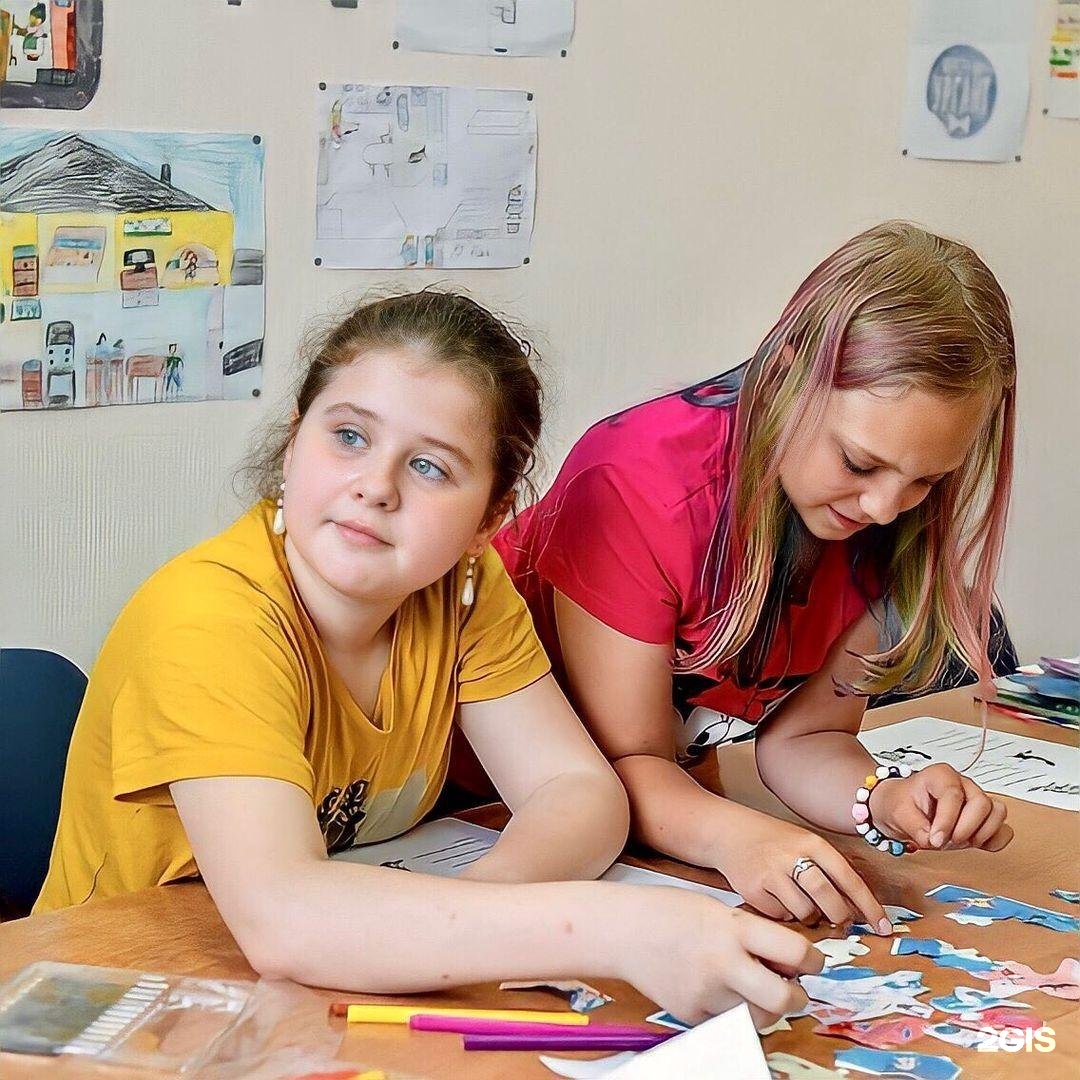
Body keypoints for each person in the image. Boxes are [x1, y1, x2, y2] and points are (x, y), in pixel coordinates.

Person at [35, 290, 822, 1027]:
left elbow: (578, 791)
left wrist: (485, 909)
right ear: (293, 441)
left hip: (310, 997)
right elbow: (285, 918)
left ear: (488, 520)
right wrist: (612, 931)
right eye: (349, 436)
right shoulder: (206, 618)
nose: (375, 486)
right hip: (115, 1000)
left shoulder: (460, 588)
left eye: (430, 466)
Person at [495, 222, 1016, 931]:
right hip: (472, 803)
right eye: (859, 463)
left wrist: (883, 799)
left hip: (629, 814)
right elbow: (627, 761)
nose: (884, 507)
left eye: (926, 480)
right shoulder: (636, 484)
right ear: (785, 375)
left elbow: (807, 739)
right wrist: (741, 839)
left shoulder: (891, 525)